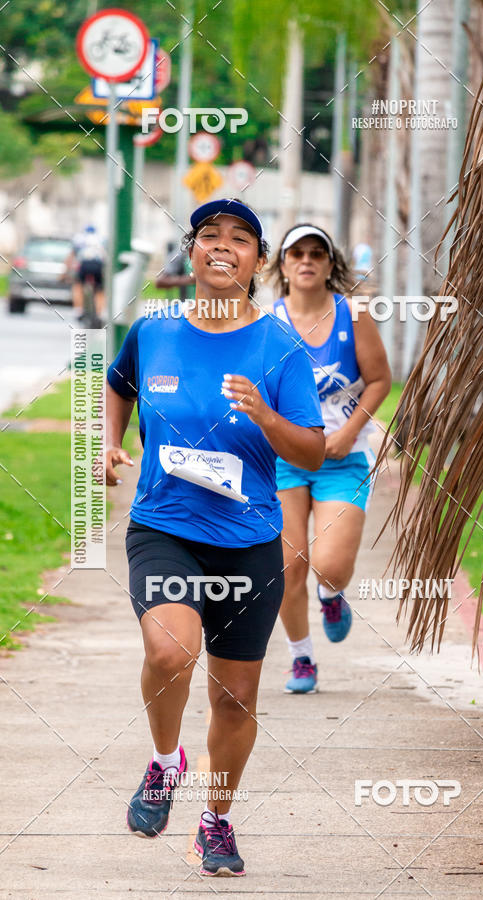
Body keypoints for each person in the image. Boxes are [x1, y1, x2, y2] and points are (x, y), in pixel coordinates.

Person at [105, 199, 325, 876]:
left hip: (250, 540)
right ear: (192, 252)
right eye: (208, 235)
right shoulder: (155, 331)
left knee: (235, 698)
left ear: (259, 261)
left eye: (240, 238)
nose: (222, 246)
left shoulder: (280, 347)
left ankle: (216, 822)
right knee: (171, 652)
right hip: (165, 525)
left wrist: (264, 416)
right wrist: (109, 443)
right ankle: (166, 761)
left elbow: (313, 452)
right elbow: (117, 385)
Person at [266, 224, 391, 693]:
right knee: (287, 565)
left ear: (329, 264)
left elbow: (379, 380)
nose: (306, 260)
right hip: (283, 461)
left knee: (329, 564)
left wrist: (351, 431)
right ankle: (302, 659)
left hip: (342, 457)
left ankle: (332, 594)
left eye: (317, 253)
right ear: (283, 265)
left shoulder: (352, 314)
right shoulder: (266, 321)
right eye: (296, 253)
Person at [70, 224, 106, 323]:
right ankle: (100, 313)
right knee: (100, 290)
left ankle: (78, 310)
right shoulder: (101, 239)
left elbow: (72, 256)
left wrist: (65, 271)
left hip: (84, 264)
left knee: (78, 286)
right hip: (97, 265)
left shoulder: (79, 239)